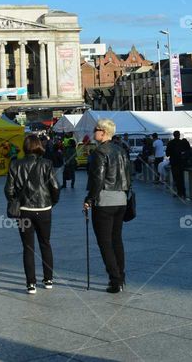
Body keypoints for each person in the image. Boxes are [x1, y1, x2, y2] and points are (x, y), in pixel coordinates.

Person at [5, 134, 60, 294]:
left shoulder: (15, 164)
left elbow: (8, 189)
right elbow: (55, 186)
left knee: (28, 247)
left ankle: (31, 284)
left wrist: (15, 201)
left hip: (24, 211)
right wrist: (52, 202)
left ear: (25, 147)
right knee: (46, 243)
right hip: (44, 209)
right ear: (39, 146)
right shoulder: (47, 164)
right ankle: (48, 279)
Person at [83, 118, 130, 294]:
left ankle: (115, 280)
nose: (93, 132)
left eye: (95, 130)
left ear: (103, 132)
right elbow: (128, 175)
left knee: (105, 242)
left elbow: (97, 179)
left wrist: (89, 199)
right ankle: (122, 277)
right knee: (116, 239)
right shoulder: (121, 150)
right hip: (121, 199)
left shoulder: (99, 152)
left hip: (104, 200)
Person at [166, 131, 192, 200]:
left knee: (176, 178)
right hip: (181, 163)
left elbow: (167, 154)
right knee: (181, 178)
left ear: (173, 135)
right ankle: (183, 192)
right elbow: (189, 151)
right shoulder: (183, 143)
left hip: (174, 163)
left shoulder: (170, 143)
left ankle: (178, 192)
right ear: (179, 135)